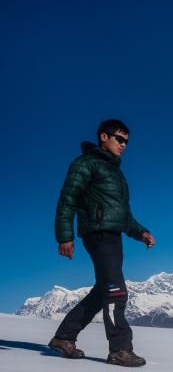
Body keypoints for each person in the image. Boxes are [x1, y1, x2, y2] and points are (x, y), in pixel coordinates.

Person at [48, 119, 156, 367]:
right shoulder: (85, 164)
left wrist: (141, 233)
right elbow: (67, 199)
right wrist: (65, 236)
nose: (124, 145)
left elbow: (123, 216)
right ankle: (120, 349)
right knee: (116, 290)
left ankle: (63, 337)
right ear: (103, 136)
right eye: (119, 139)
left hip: (113, 237)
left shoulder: (116, 173)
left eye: (127, 141)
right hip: (98, 235)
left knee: (104, 291)